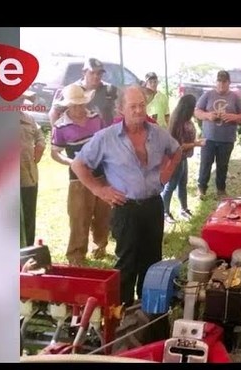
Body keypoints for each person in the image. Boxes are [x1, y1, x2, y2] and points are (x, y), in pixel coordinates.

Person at [70, 85, 182, 306]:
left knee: (152, 262)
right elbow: (78, 164)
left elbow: (177, 151)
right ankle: (122, 313)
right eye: (133, 106)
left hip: (152, 206)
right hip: (125, 208)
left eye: (141, 105)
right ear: (121, 109)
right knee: (127, 262)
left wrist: (166, 174)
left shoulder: (158, 134)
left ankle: (148, 310)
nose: (139, 111)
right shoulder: (106, 137)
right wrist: (99, 190)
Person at [50, 85, 110, 264]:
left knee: (103, 213)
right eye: (74, 105)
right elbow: (55, 153)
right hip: (78, 178)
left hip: (101, 173)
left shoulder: (95, 118)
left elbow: (106, 141)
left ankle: (100, 245)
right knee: (79, 216)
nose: (78, 108)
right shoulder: (60, 126)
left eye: (80, 104)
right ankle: (76, 256)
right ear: (67, 105)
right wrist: (70, 162)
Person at [195, 70, 241, 199]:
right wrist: (208, 115)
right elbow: (197, 111)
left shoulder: (235, 97)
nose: (221, 84)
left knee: (223, 165)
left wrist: (233, 117)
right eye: (219, 81)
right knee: (205, 164)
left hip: (227, 139)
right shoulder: (208, 94)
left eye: (224, 81)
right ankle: (201, 188)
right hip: (208, 138)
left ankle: (221, 190)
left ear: (229, 83)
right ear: (216, 82)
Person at [161, 94, 205, 224]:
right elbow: (179, 146)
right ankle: (165, 212)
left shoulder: (187, 120)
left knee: (182, 184)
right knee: (171, 185)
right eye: (193, 107)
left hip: (183, 158)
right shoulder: (178, 123)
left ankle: (184, 209)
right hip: (176, 158)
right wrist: (196, 144)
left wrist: (195, 141)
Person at [49, 58, 118, 127]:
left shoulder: (110, 90)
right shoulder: (72, 90)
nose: (96, 76)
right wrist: (59, 133)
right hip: (80, 134)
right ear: (84, 73)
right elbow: (54, 113)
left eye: (99, 73)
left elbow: (119, 112)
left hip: (105, 133)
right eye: (92, 73)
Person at [20, 92, 46, 247]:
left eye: (21, 98)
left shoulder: (28, 118)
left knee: (29, 217)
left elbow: (40, 138)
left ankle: (26, 254)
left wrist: (40, 147)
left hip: (27, 177)